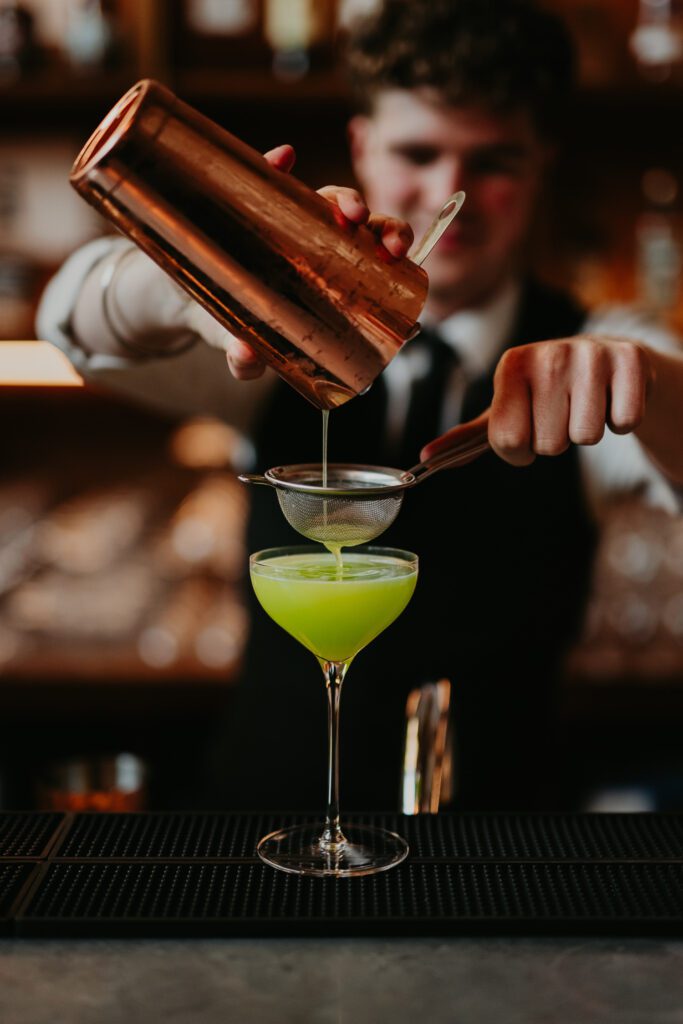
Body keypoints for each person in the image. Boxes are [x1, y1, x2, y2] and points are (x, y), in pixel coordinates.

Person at [37, 0, 683, 811]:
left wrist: (642, 385)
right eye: (418, 151)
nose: (454, 192)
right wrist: (190, 288)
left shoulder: (592, 341)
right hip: (265, 831)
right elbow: (67, 320)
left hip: (496, 847)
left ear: (541, 164)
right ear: (362, 148)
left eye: (495, 162)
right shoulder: (270, 337)